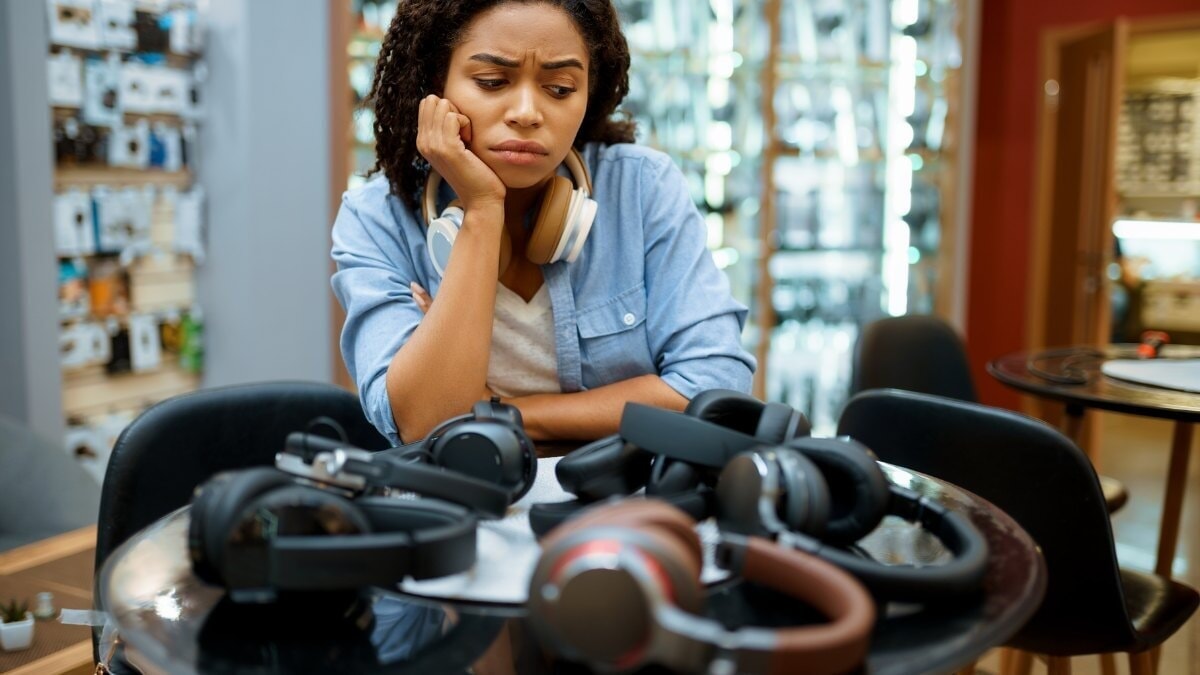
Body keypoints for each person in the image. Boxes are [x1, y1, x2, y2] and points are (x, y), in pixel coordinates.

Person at [332, 0, 755, 446]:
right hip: (460, 506)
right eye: (492, 82)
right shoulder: (377, 219)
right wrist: (481, 209)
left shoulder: (641, 189)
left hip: (620, 505)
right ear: (434, 86)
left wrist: (500, 412)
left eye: (559, 88)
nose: (528, 112)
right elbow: (424, 421)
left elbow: (717, 390)